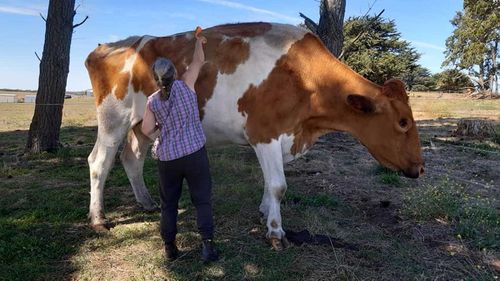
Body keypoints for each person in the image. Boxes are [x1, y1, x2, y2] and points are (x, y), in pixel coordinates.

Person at [141, 27, 218, 262]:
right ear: (174, 73)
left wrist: (160, 135)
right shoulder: (186, 85)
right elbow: (198, 60)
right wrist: (198, 42)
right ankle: (207, 246)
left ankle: (170, 248)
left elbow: (145, 130)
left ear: (156, 79)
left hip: (168, 159)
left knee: (169, 204)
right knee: (202, 200)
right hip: (194, 153)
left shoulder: (152, 101)